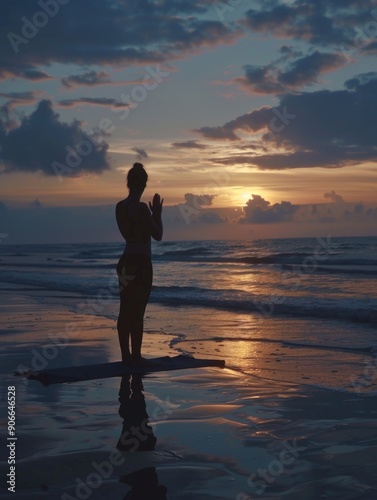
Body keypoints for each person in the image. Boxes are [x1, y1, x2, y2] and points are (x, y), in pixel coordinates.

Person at [116, 162, 163, 363]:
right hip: (141, 264)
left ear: (128, 183)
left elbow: (129, 234)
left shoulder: (119, 207)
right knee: (138, 311)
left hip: (126, 262)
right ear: (142, 185)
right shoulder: (143, 209)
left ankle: (126, 355)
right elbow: (158, 235)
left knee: (125, 308)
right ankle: (136, 356)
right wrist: (158, 215)